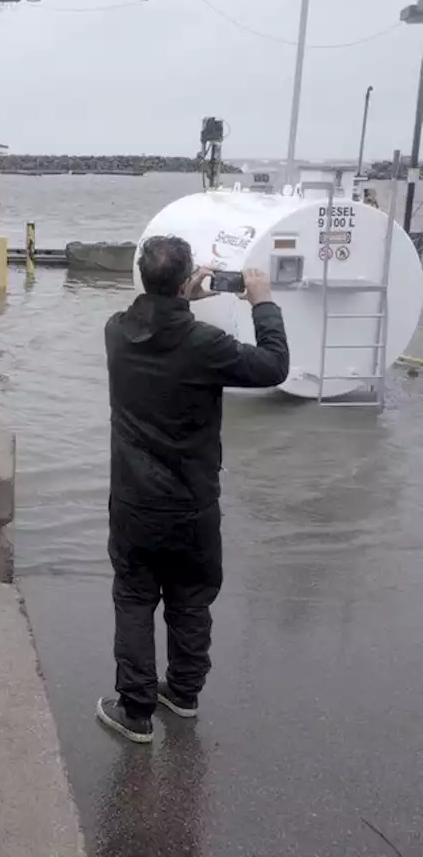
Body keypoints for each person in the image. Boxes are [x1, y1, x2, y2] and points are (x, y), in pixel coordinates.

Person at [96, 235, 290, 744]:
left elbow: (149, 321)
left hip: (134, 501)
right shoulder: (206, 345)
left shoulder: (116, 333)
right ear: (187, 280)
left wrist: (179, 298)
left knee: (135, 599)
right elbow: (274, 366)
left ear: (142, 277)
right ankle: (182, 693)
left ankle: (134, 711)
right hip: (192, 503)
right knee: (190, 599)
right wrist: (262, 301)